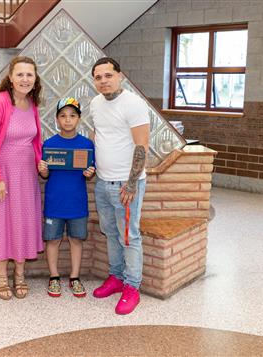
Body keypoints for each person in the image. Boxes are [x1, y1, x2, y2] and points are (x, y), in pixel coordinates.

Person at [0, 56, 44, 300]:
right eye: (20, 74)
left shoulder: (32, 103)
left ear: (35, 79)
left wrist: (40, 164)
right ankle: (2, 276)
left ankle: (20, 275)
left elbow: (35, 141)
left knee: (23, 221)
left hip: (26, 176)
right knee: (3, 222)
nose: (25, 79)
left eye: (29, 75)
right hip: (2, 173)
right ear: (11, 77)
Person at [89, 57, 150, 315]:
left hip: (126, 185)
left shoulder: (134, 104)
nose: (103, 81)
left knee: (129, 236)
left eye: (108, 75)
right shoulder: (95, 103)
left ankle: (132, 287)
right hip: (102, 183)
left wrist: (132, 183)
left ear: (120, 76)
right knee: (111, 233)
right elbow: (100, 136)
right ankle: (115, 278)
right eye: (98, 77)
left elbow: (141, 146)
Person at [38, 97, 95, 298]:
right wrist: (43, 170)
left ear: (79, 119)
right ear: (57, 119)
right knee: (52, 241)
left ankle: (74, 277)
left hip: (77, 204)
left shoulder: (87, 144)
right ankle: (54, 277)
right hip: (54, 204)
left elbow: (90, 171)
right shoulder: (49, 144)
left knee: (76, 240)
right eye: (63, 116)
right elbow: (45, 175)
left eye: (72, 116)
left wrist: (90, 173)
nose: (67, 120)